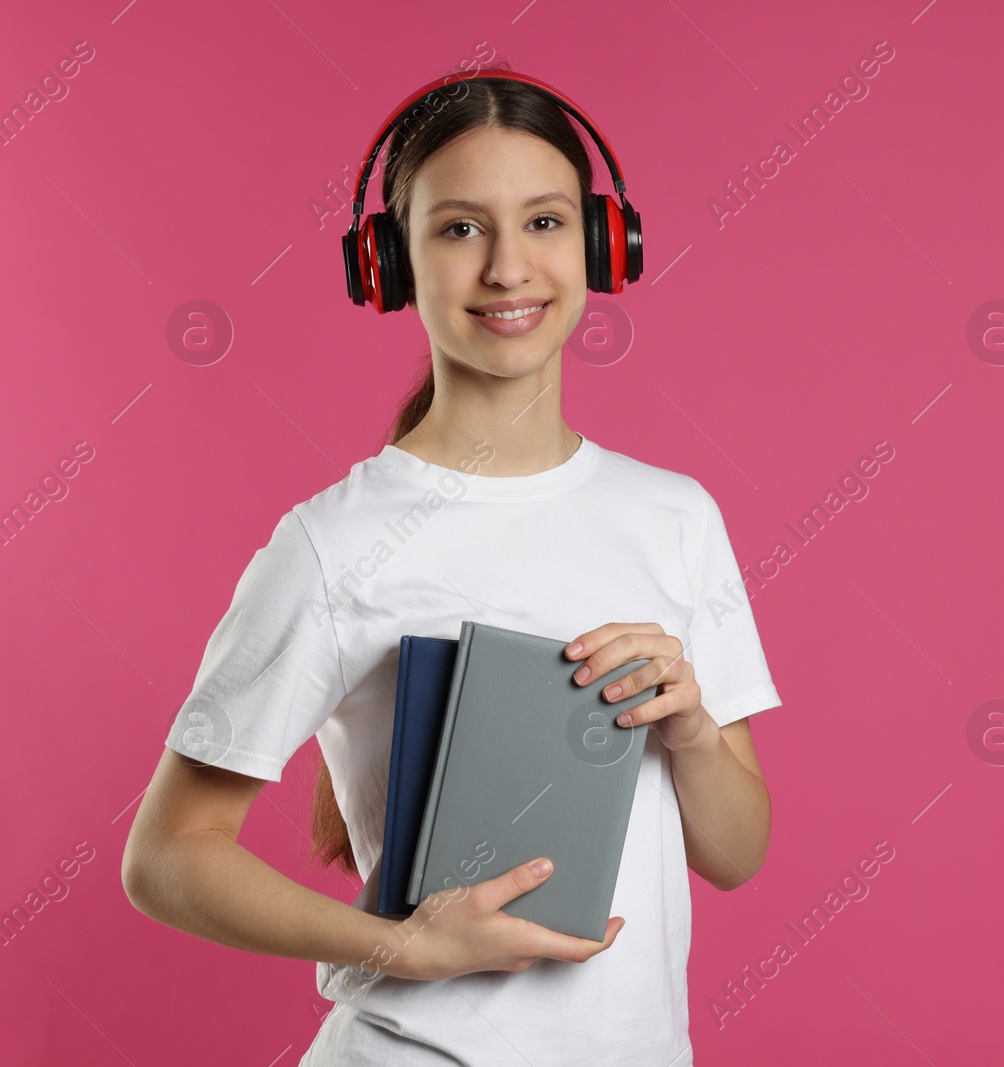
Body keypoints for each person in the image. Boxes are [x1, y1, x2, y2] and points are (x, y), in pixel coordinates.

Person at [119, 72, 781, 1067]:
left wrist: (689, 726)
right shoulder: (332, 544)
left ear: (600, 247)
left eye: (546, 221)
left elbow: (735, 852)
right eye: (460, 229)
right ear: (390, 264)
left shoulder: (675, 516)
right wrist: (403, 945)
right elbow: (166, 857)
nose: (510, 266)